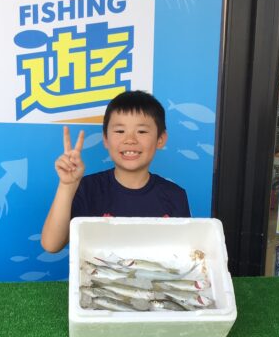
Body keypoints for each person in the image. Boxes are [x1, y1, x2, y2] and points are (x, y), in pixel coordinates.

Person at [41, 90, 191, 253]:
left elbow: (183, 253)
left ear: (160, 139)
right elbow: (51, 245)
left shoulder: (175, 195)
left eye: (141, 131)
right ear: (106, 139)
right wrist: (67, 185)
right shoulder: (87, 188)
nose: (130, 140)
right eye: (120, 131)